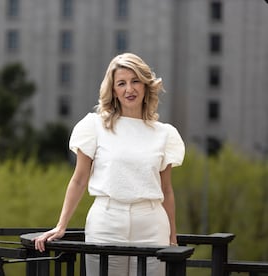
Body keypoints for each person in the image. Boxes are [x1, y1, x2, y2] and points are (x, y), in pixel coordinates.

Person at [34, 53, 185, 276]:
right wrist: (61, 225)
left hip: (152, 225)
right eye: (121, 83)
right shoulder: (94, 126)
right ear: (113, 90)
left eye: (135, 81)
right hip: (107, 223)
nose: (129, 89)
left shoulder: (165, 134)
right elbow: (79, 179)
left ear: (145, 85)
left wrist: (172, 237)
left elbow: (166, 190)